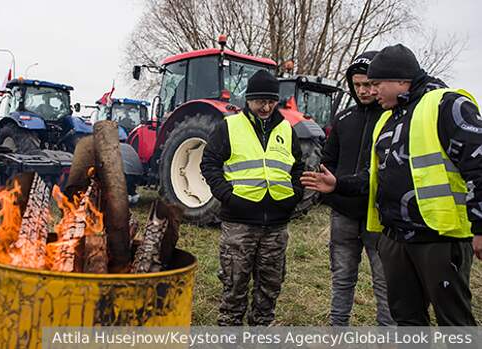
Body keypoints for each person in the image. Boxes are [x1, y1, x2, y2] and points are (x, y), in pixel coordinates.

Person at [301, 44, 482, 326]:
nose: (370, 91)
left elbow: (478, 165)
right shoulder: (388, 118)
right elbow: (376, 177)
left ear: (402, 80)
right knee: (407, 320)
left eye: (376, 84)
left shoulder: (447, 105)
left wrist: (480, 227)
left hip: (440, 239)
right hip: (395, 238)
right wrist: (339, 185)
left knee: (454, 322)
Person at [201, 70, 304, 326]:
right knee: (234, 286)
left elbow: (299, 167)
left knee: (270, 288)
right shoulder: (229, 126)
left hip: (276, 225)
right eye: (260, 101)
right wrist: (227, 195)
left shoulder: (287, 130)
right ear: (248, 100)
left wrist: (294, 196)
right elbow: (209, 164)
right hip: (239, 223)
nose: (266, 107)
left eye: (271, 101)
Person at [321, 51, 395, 326]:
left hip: (379, 215)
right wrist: (325, 188)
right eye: (357, 85)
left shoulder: (392, 118)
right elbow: (328, 159)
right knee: (342, 277)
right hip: (343, 213)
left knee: (384, 282)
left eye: (368, 84)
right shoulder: (343, 119)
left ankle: (387, 338)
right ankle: (337, 331)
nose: (363, 90)